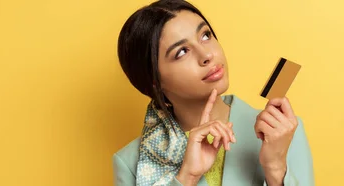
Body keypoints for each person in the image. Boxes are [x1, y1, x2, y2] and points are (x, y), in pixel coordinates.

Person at [112, 0, 314, 185]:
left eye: (205, 35)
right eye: (181, 52)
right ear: (155, 82)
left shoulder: (280, 131)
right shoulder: (131, 162)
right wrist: (187, 177)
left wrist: (275, 168)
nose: (207, 55)